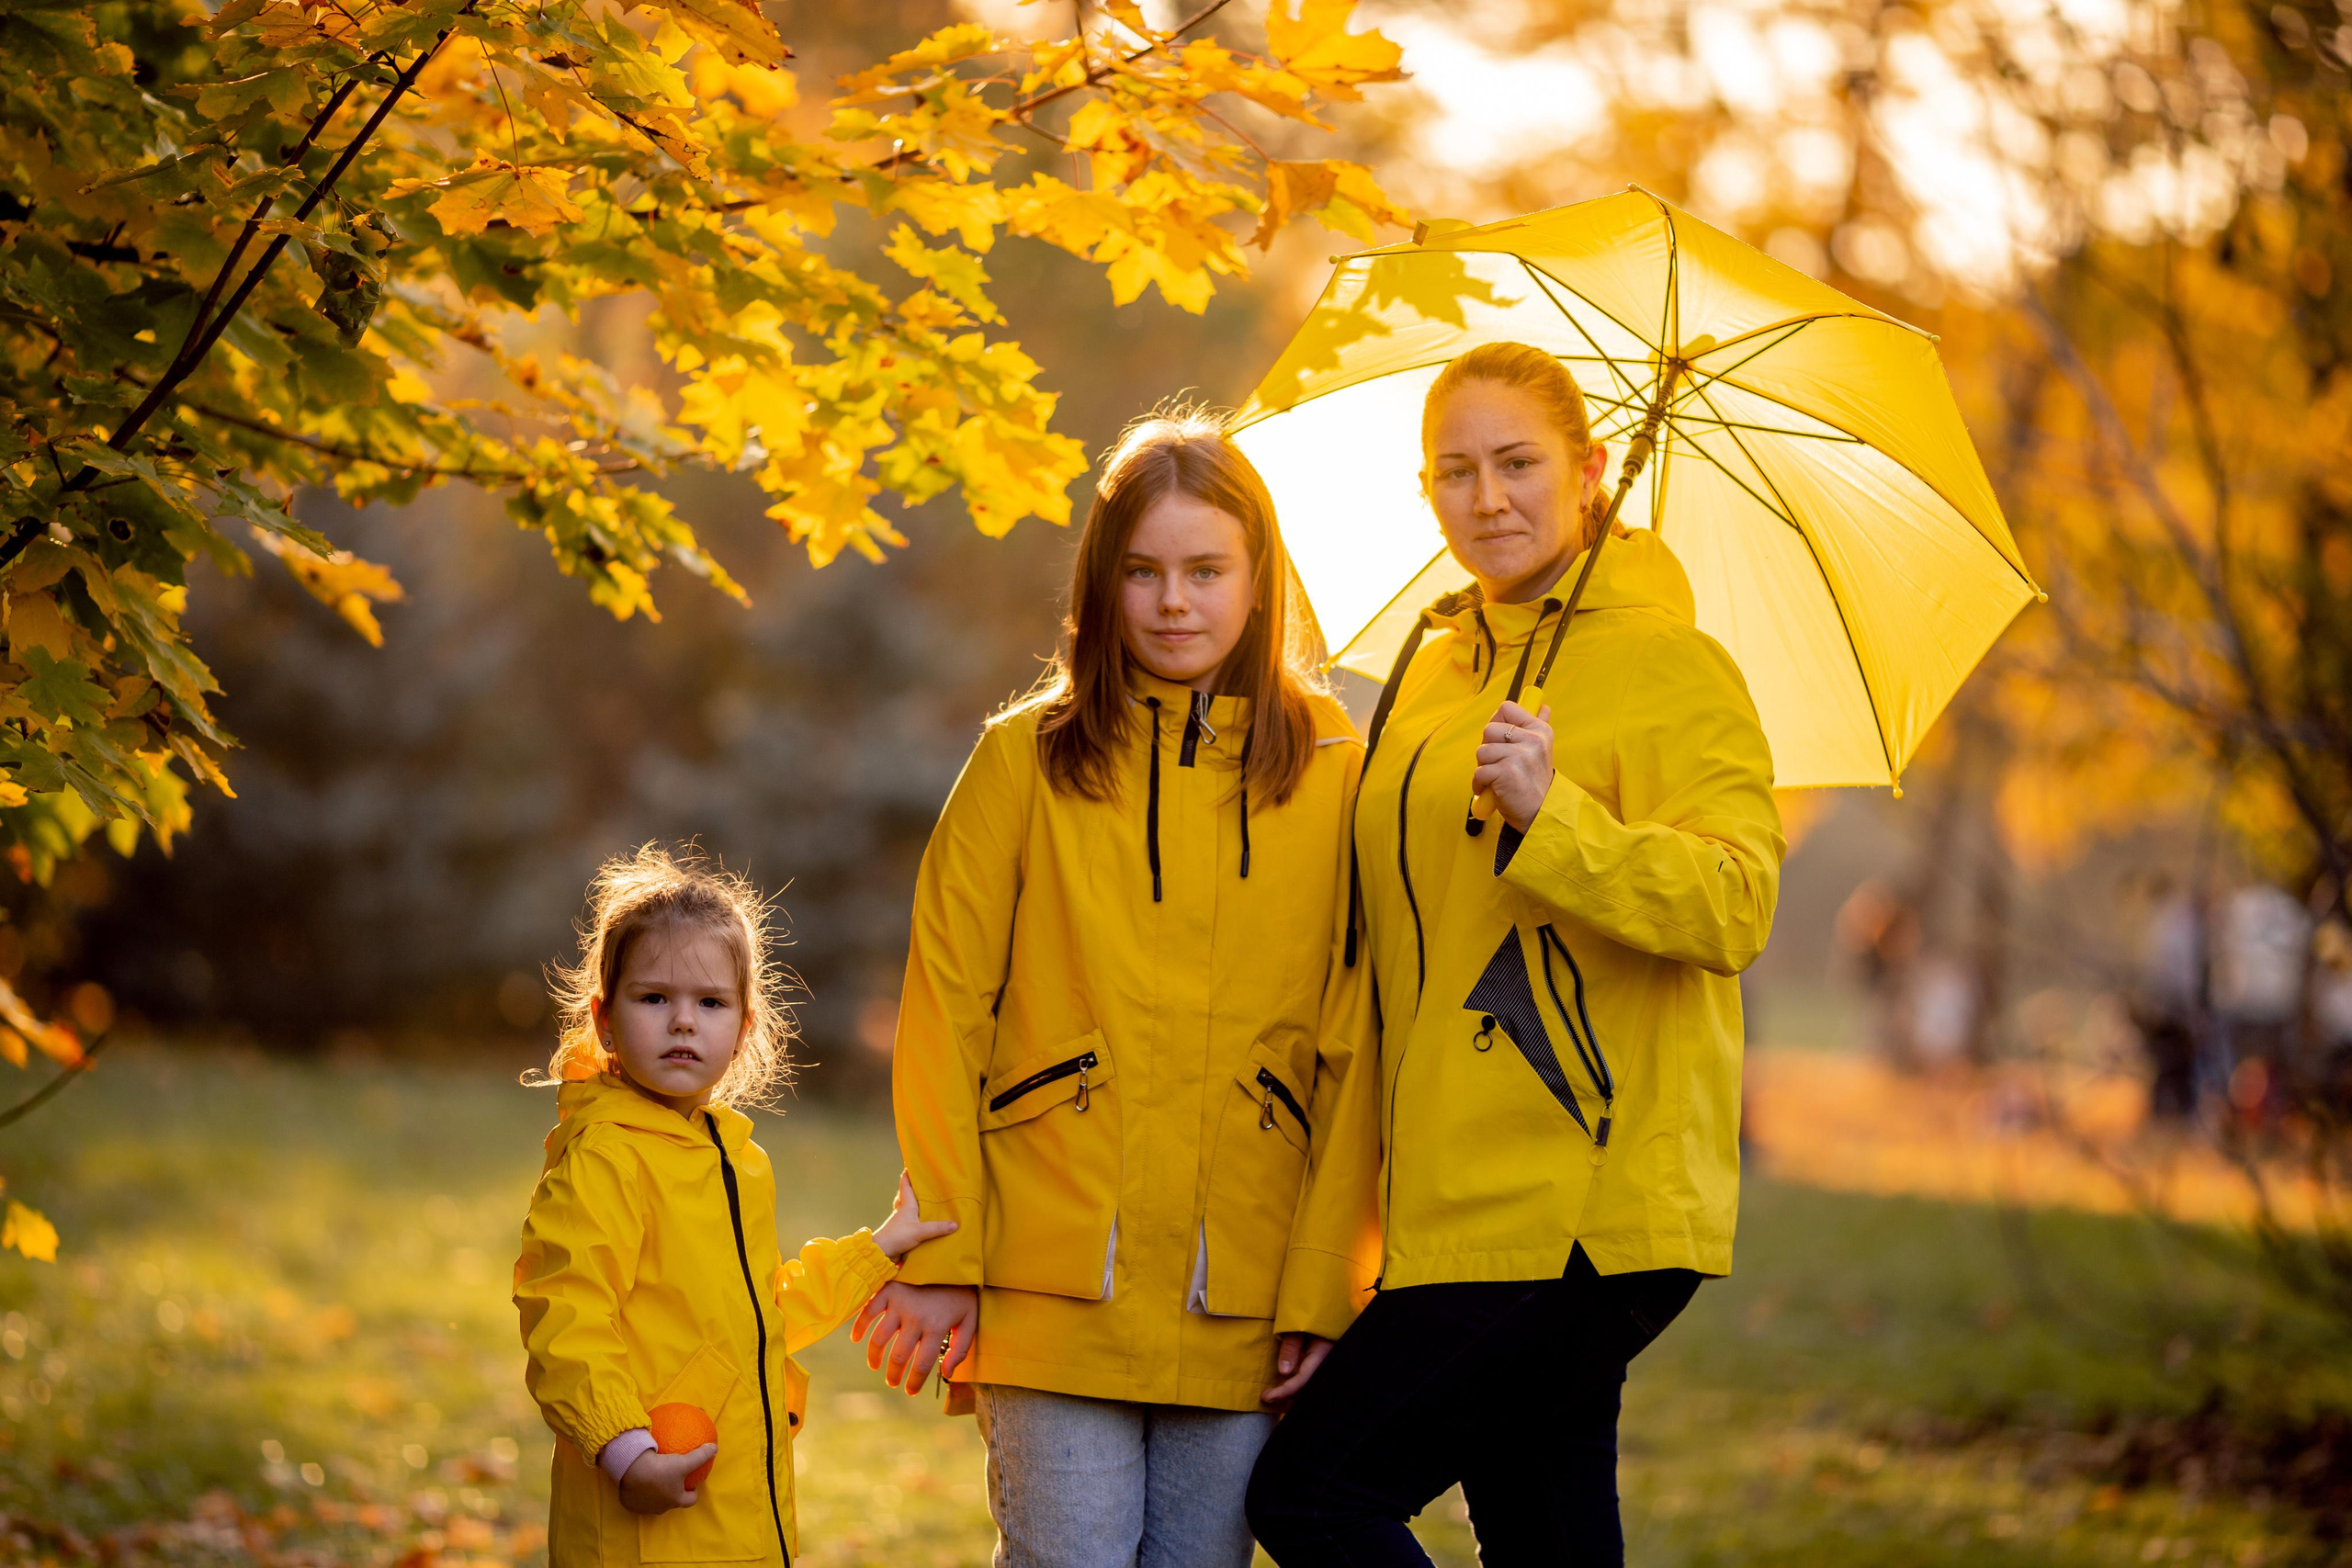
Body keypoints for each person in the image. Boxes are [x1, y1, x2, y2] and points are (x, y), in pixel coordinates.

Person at [1248, 342, 1787, 1566]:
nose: (1487, 498)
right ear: (1425, 490)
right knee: (1546, 1535)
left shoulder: (1668, 663)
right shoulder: (1434, 671)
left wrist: (1562, 820)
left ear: (1593, 470)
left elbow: (1736, 902)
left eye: (1519, 463)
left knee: (1314, 1494)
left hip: (1580, 1206)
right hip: (1457, 1200)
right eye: (1456, 471)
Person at [858, 408, 1368, 1568]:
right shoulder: (1021, 759)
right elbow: (947, 1011)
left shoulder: (1337, 771)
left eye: (1204, 570)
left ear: (1258, 581)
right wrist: (944, 1256)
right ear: (1101, 580)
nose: (1174, 602)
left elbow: (1359, 1044)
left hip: (1241, 1288)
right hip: (1050, 1278)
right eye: (1142, 571)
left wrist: (1326, 1288)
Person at [514, 845, 956, 1568]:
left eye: (709, 1002)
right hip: (644, 1519)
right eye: (654, 997)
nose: (683, 1021)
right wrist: (625, 1452)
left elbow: (757, 1314)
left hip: (740, 1514)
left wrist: (877, 1249)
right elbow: (565, 1315)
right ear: (603, 1019)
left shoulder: (738, 1159)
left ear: (745, 1026)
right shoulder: (606, 1157)